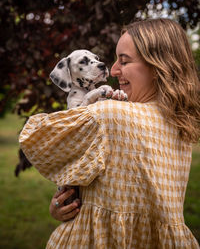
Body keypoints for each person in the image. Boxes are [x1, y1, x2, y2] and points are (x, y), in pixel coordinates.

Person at [19, 18, 200, 248]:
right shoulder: (181, 126)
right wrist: (71, 199)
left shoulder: (109, 116)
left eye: (123, 61)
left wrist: (59, 207)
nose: (113, 69)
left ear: (157, 67)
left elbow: (34, 138)